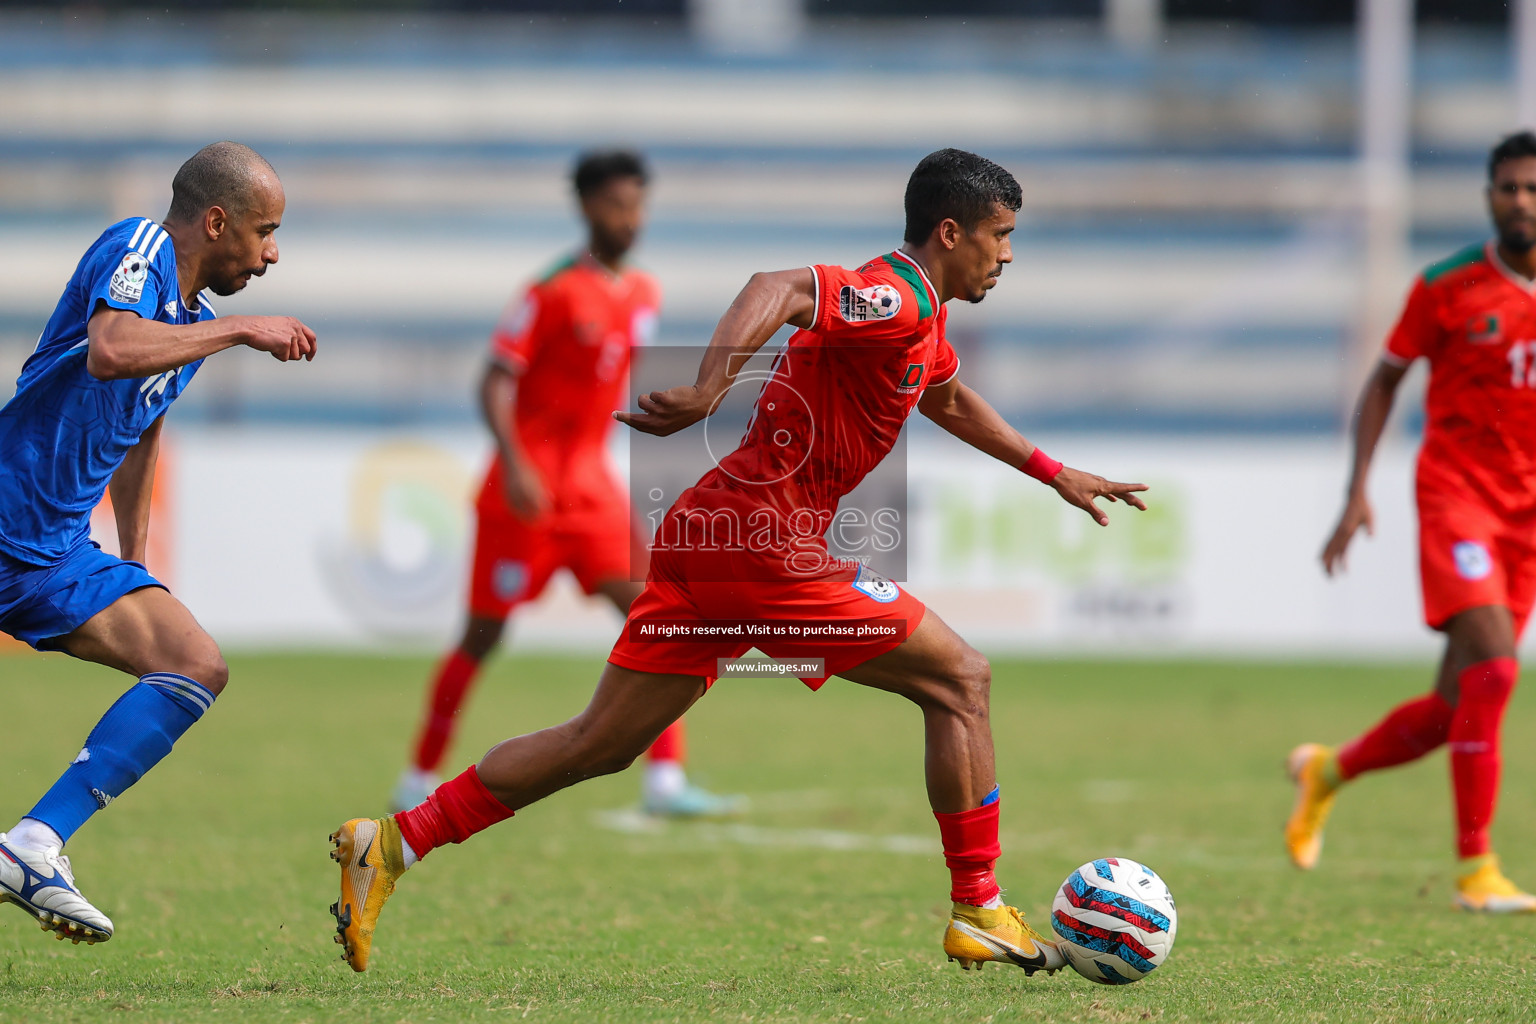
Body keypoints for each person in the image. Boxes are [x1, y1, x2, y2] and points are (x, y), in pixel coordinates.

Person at [327, 148, 1148, 974]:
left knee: (599, 745)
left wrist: (1054, 472)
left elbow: (946, 398)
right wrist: (710, 388)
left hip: (713, 535)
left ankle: (391, 844)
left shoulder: (923, 318)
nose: (1007, 254)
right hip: (764, 543)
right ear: (950, 231)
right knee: (961, 678)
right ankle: (978, 905)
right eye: (1000, 236)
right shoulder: (893, 294)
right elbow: (778, 287)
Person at [0, 141, 315, 944]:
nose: (272, 252)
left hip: (52, 553)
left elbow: (141, 432)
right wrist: (244, 330)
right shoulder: (134, 248)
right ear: (217, 221)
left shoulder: (192, 326)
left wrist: (134, 561)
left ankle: (34, 844)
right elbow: (111, 350)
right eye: (264, 230)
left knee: (194, 663)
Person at [391, 150, 740, 819]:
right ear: (586, 208)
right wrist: (517, 461)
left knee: (658, 614)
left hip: (592, 493)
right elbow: (495, 379)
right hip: (524, 494)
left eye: (638, 205)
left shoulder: (643, 292)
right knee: (482, 637)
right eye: (617, 205)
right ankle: (417, 774)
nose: (630, 219)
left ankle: (665, 781)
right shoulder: (549, 290)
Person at [1290, 131, 1536, 912]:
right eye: (1507, 188)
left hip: (1528, 516)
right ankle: (1476, 871)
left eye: (1532, 188)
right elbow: (1384, 381)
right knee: (1496, 669)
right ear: (1489, 196)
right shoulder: (1447, 285)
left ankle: (1327, 771)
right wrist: (1357, 489)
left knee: (1452, 707)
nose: (1520, 202)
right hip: (1458, 497)